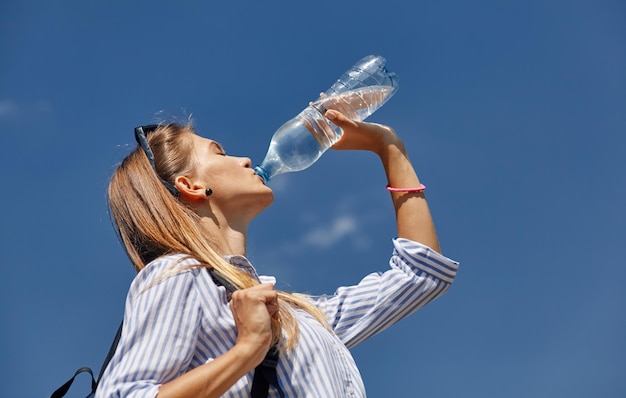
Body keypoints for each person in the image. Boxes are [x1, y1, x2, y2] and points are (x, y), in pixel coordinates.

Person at [96, 109, 459, 398]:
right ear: (190, 185)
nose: (246, 159)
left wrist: (389, 147)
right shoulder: (178, 274)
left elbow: (421, 275)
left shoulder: (296, 315)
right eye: (219, 152)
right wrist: (247, 349)